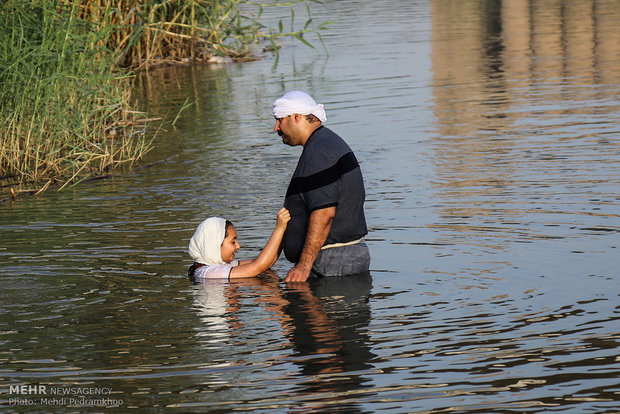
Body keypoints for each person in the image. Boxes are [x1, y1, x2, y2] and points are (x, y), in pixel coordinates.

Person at [272, 90, 370, 282]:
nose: (276, 128)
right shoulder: (326, 143)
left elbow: (324, 213)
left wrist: (303, 266)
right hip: (340, 258)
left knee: (329, 312)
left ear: (296, 117)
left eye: (279, 120)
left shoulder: (319, 150)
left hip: (332, 261)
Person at [188, 207, 290, 281]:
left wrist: (283, 231)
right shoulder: (208, 273)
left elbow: (267, 263)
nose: (238, 246)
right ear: (215, 244)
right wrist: (279, 228)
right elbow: (258, 266)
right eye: (233, 242)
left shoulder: (219, 264)